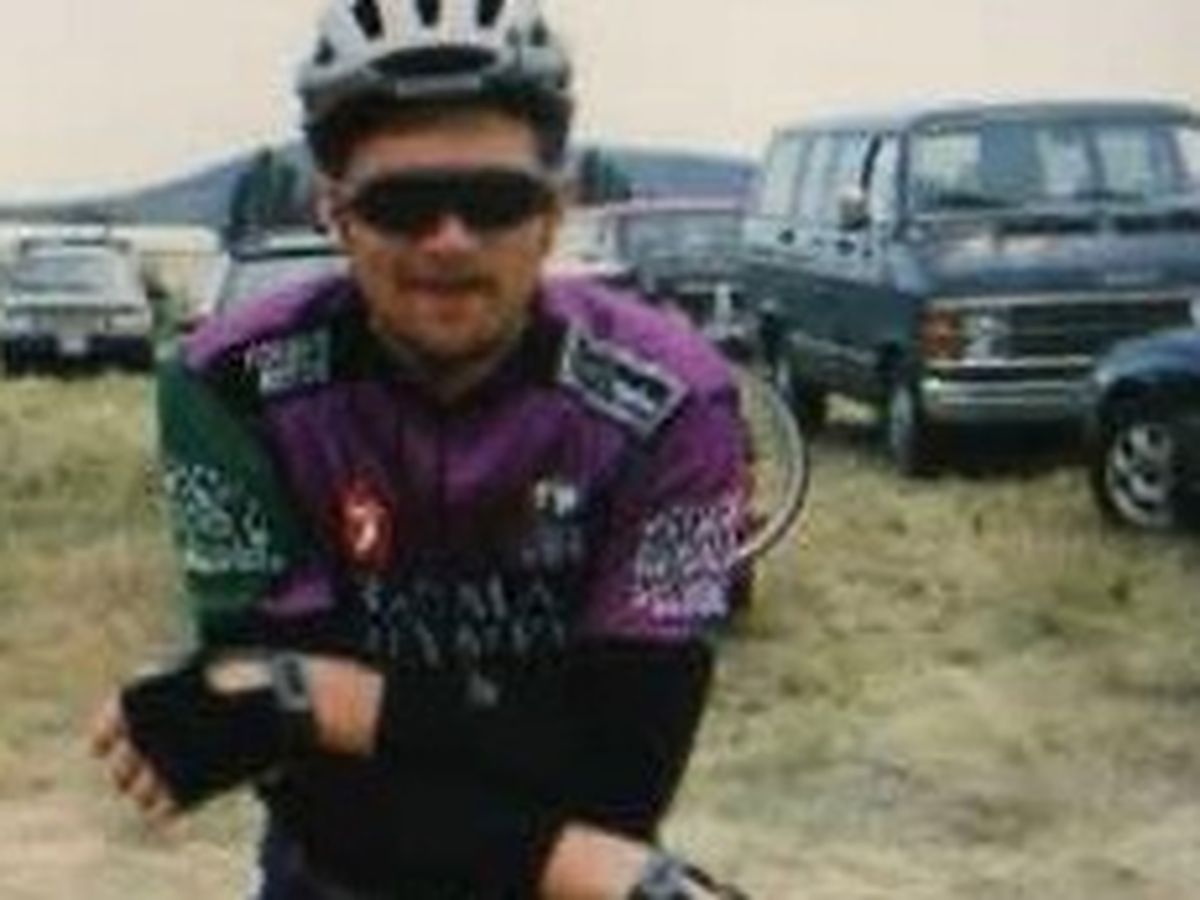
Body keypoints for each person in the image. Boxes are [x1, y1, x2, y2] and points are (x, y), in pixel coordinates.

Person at [89, 1, 750, 896]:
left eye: (494, 201)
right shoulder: (229, 387)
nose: (449, 240)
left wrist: (316, 697)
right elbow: (309, 784)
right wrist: (604, 870)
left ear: (553, 212)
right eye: (401, 205)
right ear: (336, 213)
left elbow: (621, 775)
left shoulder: (678, 402)